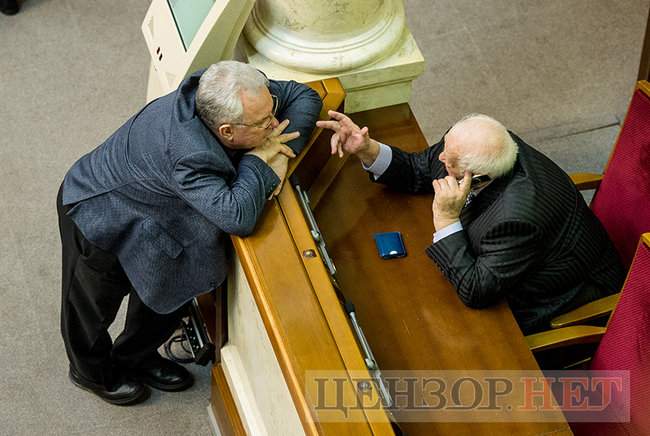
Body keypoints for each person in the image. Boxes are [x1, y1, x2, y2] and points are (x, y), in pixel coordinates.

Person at [57, 61, 322, 405]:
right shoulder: (188, 152)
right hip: (97, 214)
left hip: (163, 213)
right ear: (227, 131)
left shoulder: (229, 91)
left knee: (167, 289)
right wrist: (260, 161)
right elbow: (237, 216)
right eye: (263, 124)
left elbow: (305, 95)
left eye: (271, 112)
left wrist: (282, 154)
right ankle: (90, 372)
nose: (274, 124)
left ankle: (134, 358)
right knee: (91, 310)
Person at [317, 111, 624, 335]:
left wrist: (446, 220)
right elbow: (419, 169)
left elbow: (476, 290)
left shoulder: (518, 218)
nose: (440, 159)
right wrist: (368, 149)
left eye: (447, 161)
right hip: (513, 256)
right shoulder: (477, 144)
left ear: (474, 179)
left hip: (562, 294)